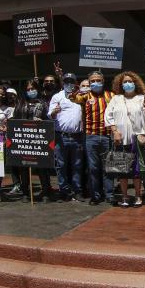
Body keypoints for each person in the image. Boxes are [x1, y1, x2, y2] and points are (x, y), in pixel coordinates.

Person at [104, 71, 145, 207]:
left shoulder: (142, 98)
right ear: (121, 84)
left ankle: (137, 196)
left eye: (130, 81)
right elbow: (108, 115)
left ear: (135, 83)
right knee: (121, 170)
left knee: (136, 171)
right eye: (125, 82)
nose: (128, 84)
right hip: (120, 139)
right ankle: (124, 197)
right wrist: (114, 131)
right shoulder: (116, 99)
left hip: (137, 139)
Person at [71, 71, 114, 205]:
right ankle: (95, 195)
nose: (96, 83)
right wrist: (76, 89)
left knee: (108, 167)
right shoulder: (85, 96)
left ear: (103, 81)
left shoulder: (110, 95)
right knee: (93, 168)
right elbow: (73, 97)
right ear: (89, 83)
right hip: (91, 137)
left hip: (107, 137)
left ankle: (109, 195)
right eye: (93, 81)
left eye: (98, 80)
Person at [11, 78, 53, 200]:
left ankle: (45, 191)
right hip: (24, 140)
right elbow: (15, 118)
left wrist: (43, 121)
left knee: (42, 167)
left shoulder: (44, 103)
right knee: (24, 167)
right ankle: (25, 192)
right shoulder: (21, 103)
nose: (31, 91)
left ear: (37, 89)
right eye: (28, 89)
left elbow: (49, 119)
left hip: (40, 140)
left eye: (33, 88)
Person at [48, 72, 83, 202]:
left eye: (71, 81)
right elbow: (49, 115)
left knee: (77, 165)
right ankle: (64, 191)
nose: (69, 83)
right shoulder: (57, 96)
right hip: (61, 136)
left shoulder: (80, 96)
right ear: (63, 82)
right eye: (66, 81)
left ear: (75, 83)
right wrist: (54, 112)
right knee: (61, 165)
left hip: (77, 137)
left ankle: (77, 190)